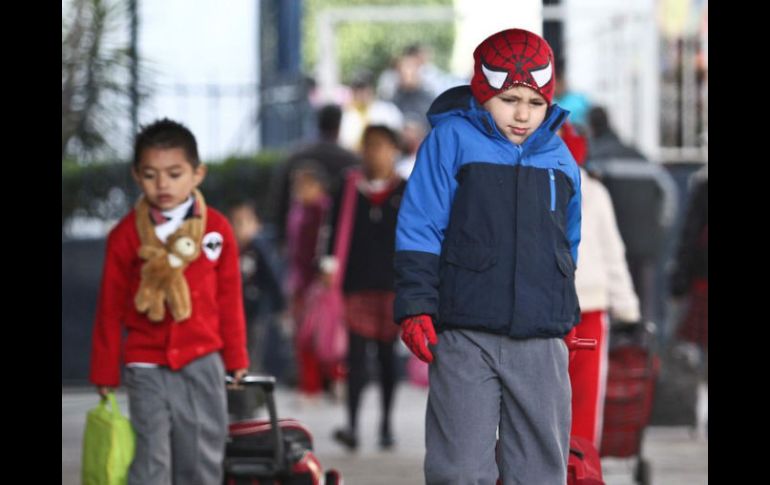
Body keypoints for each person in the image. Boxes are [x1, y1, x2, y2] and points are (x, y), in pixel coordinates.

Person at [394, 29, 582, 483]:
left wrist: (562, 313)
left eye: (536, 103)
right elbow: (421, 226)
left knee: (540, 470)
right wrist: (417, 306)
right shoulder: (450, 141)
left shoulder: (560, 157)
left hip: (541, 338)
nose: (522, 114)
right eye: (509, 99)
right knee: (458, 469)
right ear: (483, 92)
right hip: (464, 334)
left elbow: (568, 244)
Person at [89, 118, 249, 485]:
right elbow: (110, 307)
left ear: (197, 174)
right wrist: (104, 370)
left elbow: (229, 298)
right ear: (136, 175)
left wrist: (237, 357)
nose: (162, 185)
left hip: (203, 358)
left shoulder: (217, 230)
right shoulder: (126, 236)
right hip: (145, 363)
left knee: (201, 456)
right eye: (150, 175)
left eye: (174, 173)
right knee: (150, 459)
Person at [560, 121, 640, 448]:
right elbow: (613, 254)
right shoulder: (593, 191)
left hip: (543, 310)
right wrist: (628, 309)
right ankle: (580, 469)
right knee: (584, 400)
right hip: (589, 307)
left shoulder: (525, 185)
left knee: (536, 400)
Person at [327, 124, 408, 451]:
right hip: (355, 285)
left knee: (388, 359)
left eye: (381, 146)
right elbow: (332, 230)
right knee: (356, 360)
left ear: (395, 151)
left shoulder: (406, 190)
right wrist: (328, 266)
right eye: (369, 145)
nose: (374, 152)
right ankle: (352, 425)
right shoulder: (347, 188)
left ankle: (386, 425)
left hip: (392, 285)